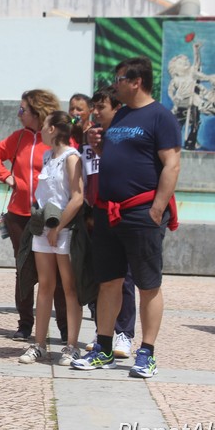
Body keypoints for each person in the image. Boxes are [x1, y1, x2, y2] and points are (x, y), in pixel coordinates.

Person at [71, 57, 181, 378]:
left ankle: (146, 353)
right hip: (108, 211)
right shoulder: (120, 116)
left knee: (148, 285)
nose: (115, 84)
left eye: (120, 79)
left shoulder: (161, 117)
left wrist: (157, 209)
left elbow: (172, 164)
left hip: (141, 212)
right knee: (109, 282)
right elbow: (117, 157)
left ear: (136, 82)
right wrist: (98, 147)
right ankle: (104, 348)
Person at [0, 89, 68, 342]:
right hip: (19, 216)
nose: (19, 114)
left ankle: (65, 328)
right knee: (23, 270)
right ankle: (24, 325)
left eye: (23, 110)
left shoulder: (57, 138)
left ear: (37, 112)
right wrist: (7, 177)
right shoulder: (18, 137)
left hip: (51, 216)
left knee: (57, 274)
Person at [18, 111, 84, 365]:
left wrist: (59, 227)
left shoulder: (71, 157)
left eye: (44, 125)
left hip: (64, 230)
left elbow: (77, 197)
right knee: (45, 285)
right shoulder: (48, 156)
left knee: (69, 287)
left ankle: (71, 346)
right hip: (43, 228)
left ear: (53, 129)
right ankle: (39, 344)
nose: (41, 130)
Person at [82, 86, 137, 359]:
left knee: (124, 278)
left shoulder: (128, 137)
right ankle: (102, 331)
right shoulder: (89, 136)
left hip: (123, 214)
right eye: (93, 107)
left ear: (117, 108)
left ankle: (124, 333)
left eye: (101, 107)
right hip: (94, 214)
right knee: (101, 278)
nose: (95, 113)